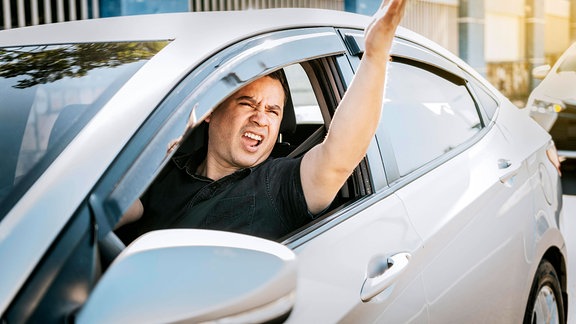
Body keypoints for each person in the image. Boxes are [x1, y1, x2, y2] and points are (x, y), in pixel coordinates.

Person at [116, 0, 407, 241]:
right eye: (248, 103)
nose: (261, 119)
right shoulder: (168, 166)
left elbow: (338, 158)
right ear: (209, 112)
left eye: (273, 111)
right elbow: (116, 208)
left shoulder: (275, 185)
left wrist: (375, 56)